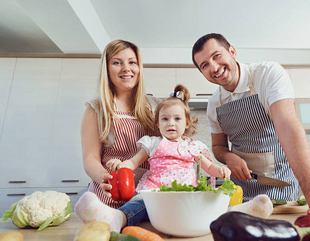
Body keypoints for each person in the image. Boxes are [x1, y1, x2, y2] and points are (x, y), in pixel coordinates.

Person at [191, 33, 310, 220]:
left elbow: (288, 128)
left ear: (232, 51)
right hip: (239, 194)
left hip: (281, 191)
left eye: (216, 56)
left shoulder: (267, 74)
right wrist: (229, 157)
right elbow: (218, 147)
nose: (214, 67)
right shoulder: (213, 104)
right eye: (205, 65)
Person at [75, 84, 232, 231]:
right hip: (155, 193)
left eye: (177, 119)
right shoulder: (152, 143)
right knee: (139, 203)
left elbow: (209, 167)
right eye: (165, 119)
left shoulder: (192, 146)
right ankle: (117, 218)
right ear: (157, 123)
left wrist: (221, 170)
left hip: (184, 195)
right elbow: (133, 162)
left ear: (186, 123)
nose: (171, 123)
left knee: (201, 205)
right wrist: (119, 165)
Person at [76, 39, 160, 231]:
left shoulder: (154, 107)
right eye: (117, 62)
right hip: (109, 197)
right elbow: (90, 157)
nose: (126, 68)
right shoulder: (96, 109)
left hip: (148, 198)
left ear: (139, 67)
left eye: (132, 62)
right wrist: (104, 178)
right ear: (106, 69)